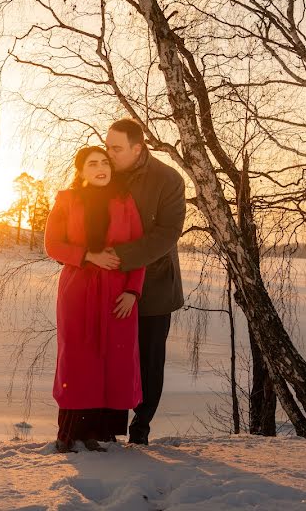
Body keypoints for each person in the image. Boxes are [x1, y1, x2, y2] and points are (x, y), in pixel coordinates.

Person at [44, 146, 147, 453]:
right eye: (93, 164)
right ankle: (68, 433)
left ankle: (96, 434)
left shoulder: (124, 201)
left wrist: (132, 291)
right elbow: (52, 245)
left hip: (117, 294)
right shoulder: (67, 200)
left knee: (111, 361)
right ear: (81, 170)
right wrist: (87, 256)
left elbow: (139, 251)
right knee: (78, 360)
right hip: (78, 289)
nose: (101, 167)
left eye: (105, 162)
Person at [104, 118, 186, 446]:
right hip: (108, 286)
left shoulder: (168, 180)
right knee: (112, 356)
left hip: (154, 287)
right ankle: (108, 428)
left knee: (149, 360)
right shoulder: (104, 175)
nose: (109, 153)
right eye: (108, 145)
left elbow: (166, 235)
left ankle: (141, 427)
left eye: (116, 148)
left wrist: (118, 257)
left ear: (137, 149)